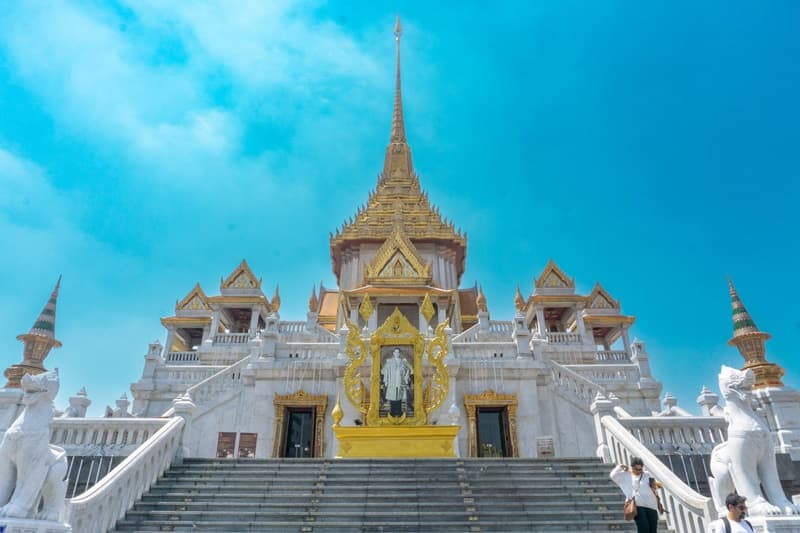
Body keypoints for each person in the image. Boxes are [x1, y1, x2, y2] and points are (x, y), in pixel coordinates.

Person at [610, 457, 661, 533]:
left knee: (653, 530)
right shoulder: (626, 475)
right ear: (632, 467)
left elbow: (654, 487)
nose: (638, 471)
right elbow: (613, 475)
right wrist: (620, 466)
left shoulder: (647, 475)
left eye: (640, 469)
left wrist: (656, 489)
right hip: (637, 505)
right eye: (636, 469)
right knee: (644, 529)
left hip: (651, 505)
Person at [382, 348, 412, 416]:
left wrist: (406, 379)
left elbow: (407, 371)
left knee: (399, 397)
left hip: (400, 381)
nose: (397, 353)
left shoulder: (403, 362)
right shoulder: (390, 362)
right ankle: (392, 412)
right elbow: (386, 371)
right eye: (395, 352)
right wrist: (386, 381)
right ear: (393, 353)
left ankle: (398, 412)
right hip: (392, 381)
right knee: (393, 397)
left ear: (399, 353)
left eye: (398, 352)